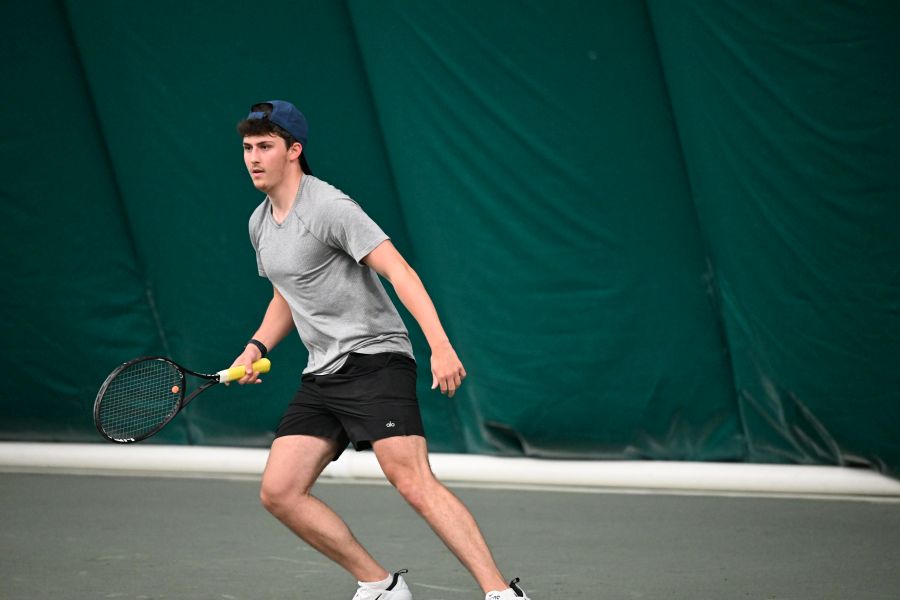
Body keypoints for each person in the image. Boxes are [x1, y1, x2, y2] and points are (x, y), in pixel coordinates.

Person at [229, 100, 531, 600]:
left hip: (374, 360)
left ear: (294, 150)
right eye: (247, 148)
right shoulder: (259, 224)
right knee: (279, 492)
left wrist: (440, 345)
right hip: (322, 371)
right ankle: (382, 584)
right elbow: (287, 293)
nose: (254, 158)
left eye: (265, 146)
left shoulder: (330, 207)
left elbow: (399, 271)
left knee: (412, 481)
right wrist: (254, 346)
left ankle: (501, 593)